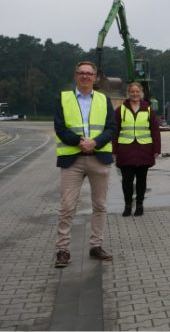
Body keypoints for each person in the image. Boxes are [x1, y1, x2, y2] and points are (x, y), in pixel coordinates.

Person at [53, 61, 116, 268]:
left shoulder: (104, 100)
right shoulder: (64, 98)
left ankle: (96, 246)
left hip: (99, 158)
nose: (85, 77)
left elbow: (111, 128)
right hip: (73, 159)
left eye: (89, 73)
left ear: (95, 77)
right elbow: (60, 127)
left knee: (100, 206)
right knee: (67, 206)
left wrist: (95, 142)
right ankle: (63, 250)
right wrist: (81, 142)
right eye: (81, 73)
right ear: (75, 76)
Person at [113, 82, 161, 217]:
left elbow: (155, 131)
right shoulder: (120, 110)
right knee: (127, 181)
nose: (135, 94)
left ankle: (139, 205)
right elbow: (115, 131)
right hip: (125, 151)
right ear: (128, 94)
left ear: (141, 94)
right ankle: (128, 205)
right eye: (132, 92)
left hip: (144, 150)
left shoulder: (148, 109)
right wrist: (114, 150)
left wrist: (156, 149)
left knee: (141, 180)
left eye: (137, 92)